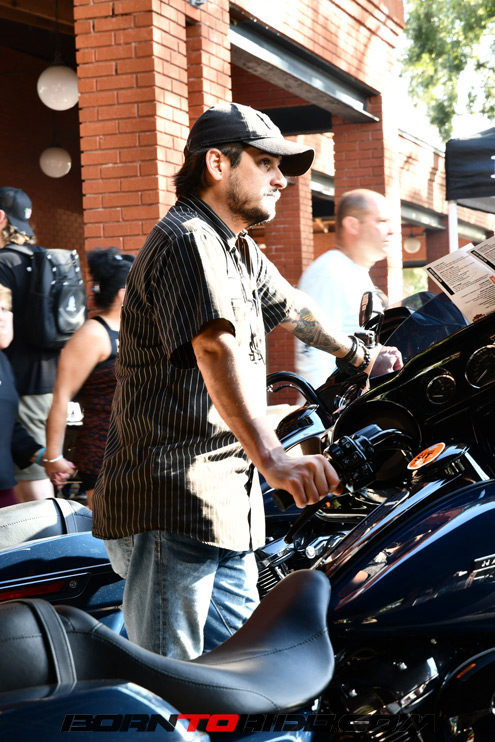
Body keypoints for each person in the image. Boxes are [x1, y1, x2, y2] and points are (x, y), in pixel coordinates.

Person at [92, 102, 397, 661]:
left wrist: (360, 354)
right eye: (266, 164)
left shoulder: (235, 247)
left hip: (224, 505)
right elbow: (215, 347)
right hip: (174, 501)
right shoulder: (188, 239)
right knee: (176, 678)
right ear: (217, 164)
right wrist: (273, 458)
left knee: (247, 673)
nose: (282, 180)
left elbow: (293, 307)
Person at [44, 247, 135, 509]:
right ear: (123, 294)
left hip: (141, 451)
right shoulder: (93, 335)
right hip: (105, 453)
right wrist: (53, 456)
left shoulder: (135, 330)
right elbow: (61, 395)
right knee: (113, 532)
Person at [295, 188, 394, 389]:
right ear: (352, 225)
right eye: (381, 221)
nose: (391, 230)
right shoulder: (329, 273)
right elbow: (313, 355)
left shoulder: (353, 272)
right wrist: (327, 406)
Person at [0, 187, 60, 501]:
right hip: (52, 381)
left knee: (30, 478)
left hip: (19, 384)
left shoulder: (3, 263)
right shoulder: (44, 258)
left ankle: (51, 532)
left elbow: (3, 333)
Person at [0, 284, 72, 507]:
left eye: (4, 309)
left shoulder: (3, 362)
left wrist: (44, 457)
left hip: (4, 488)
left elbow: (7, 426)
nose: (1, 318)